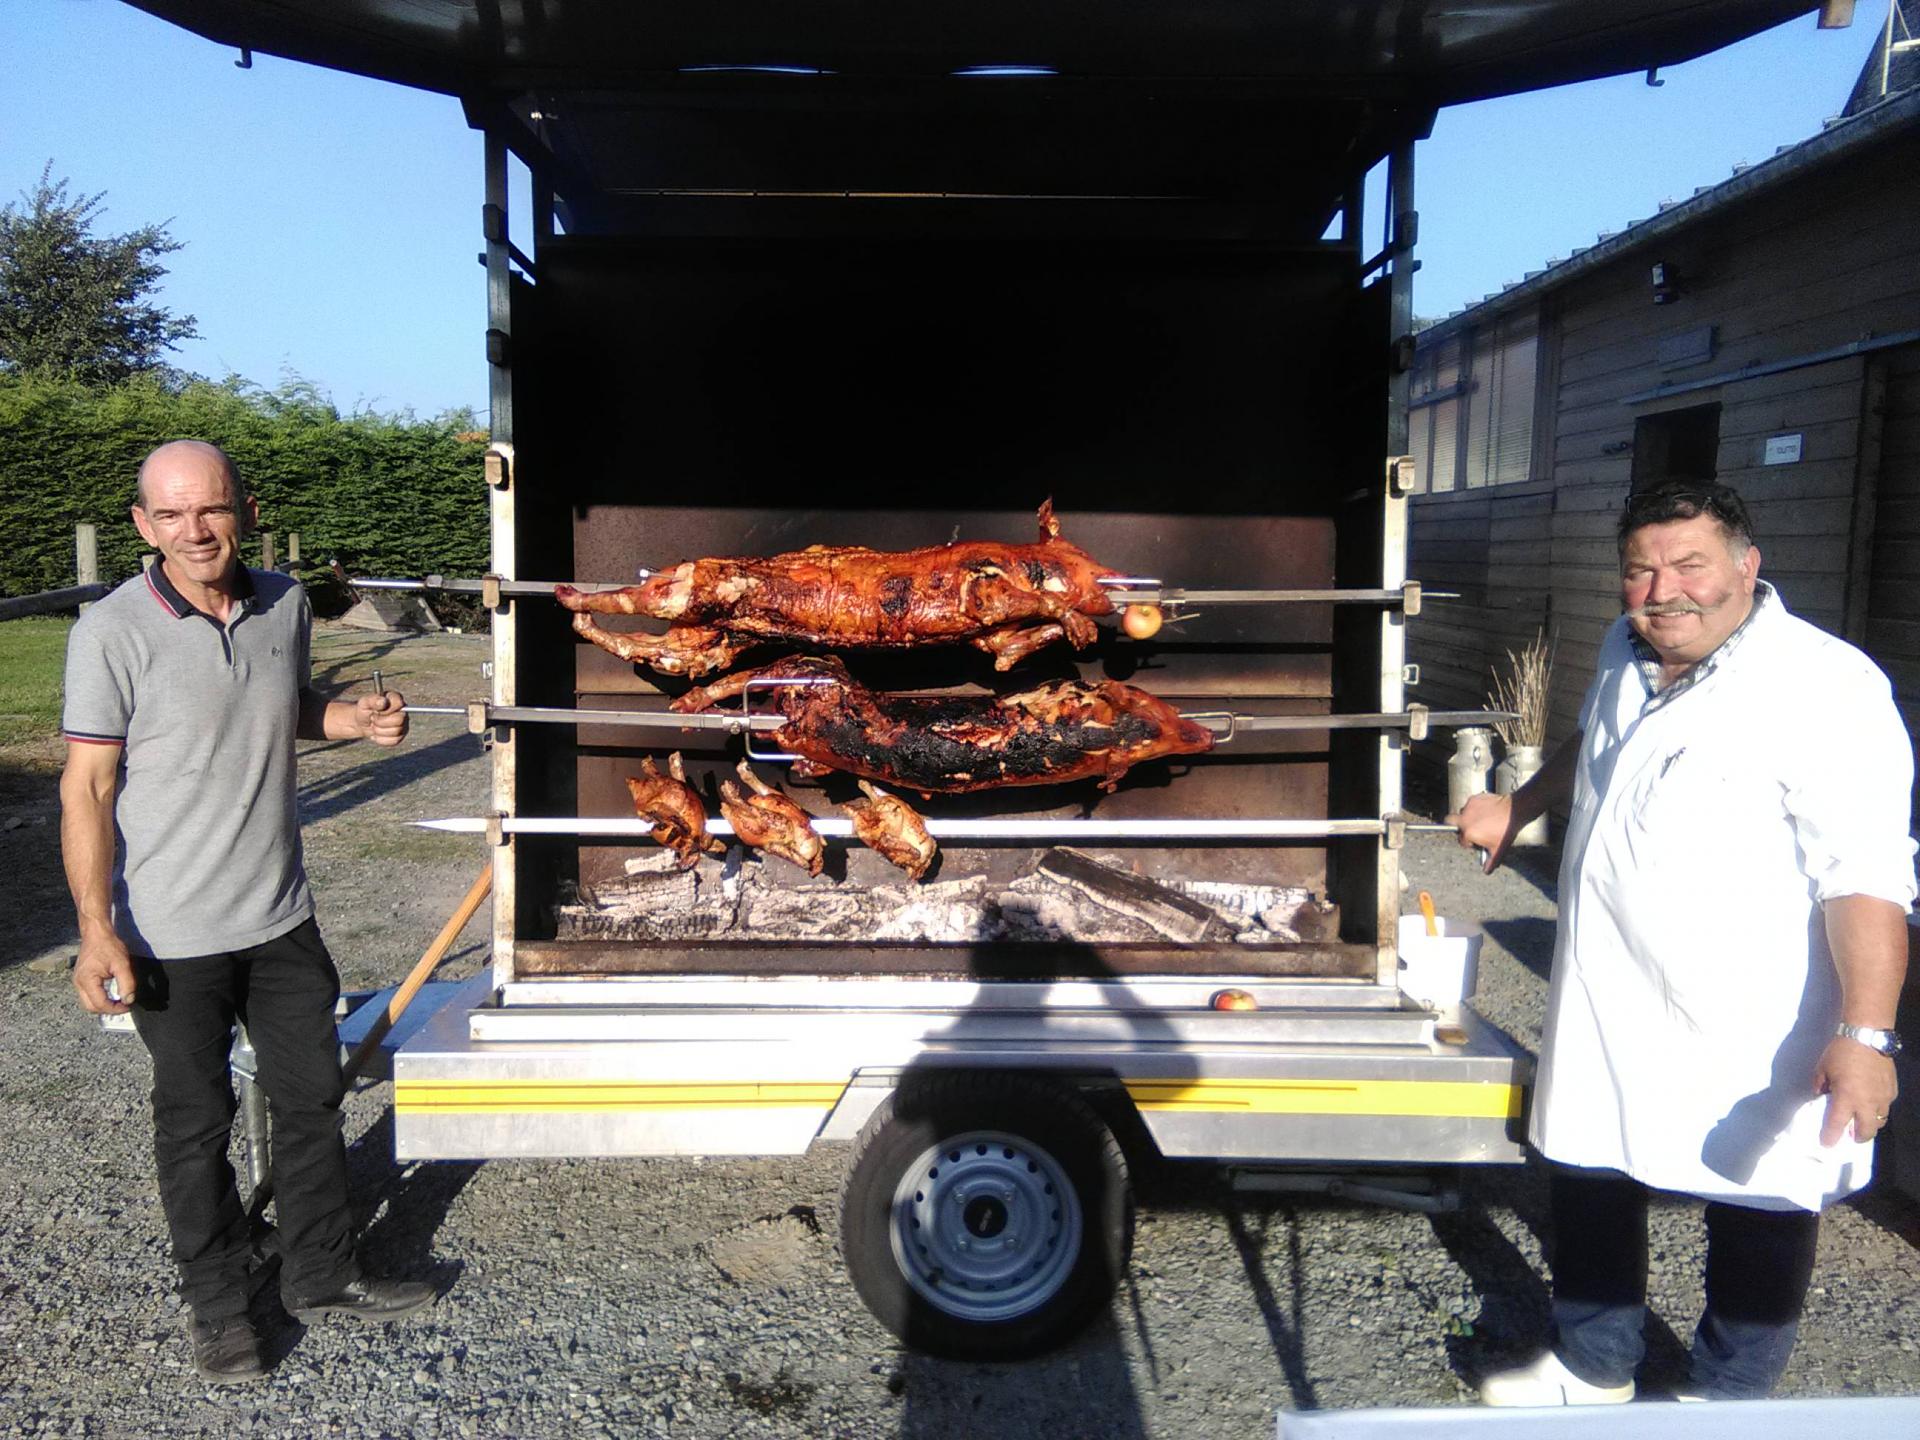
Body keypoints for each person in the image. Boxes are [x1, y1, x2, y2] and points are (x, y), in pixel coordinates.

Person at [1452, 478, 1913, 1405]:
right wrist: (1520, 808)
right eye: (1641, 570)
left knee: (1763, 1192)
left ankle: (1728, 1394)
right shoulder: (1628, 648)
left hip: (1754, 1006)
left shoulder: (1827, 685)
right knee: (1588, 1156)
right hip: (1606, 982)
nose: (1666, 591)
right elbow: (1596, 742)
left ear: (1747, 566)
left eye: (1691, 564)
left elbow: (1865, 875)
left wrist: (1865, 1038)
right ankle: (1592, 1366)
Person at [60, 440, 438, 1385]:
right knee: (195, 1124)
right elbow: (88, 787)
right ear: (144, 526)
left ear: (246, 510)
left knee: (312, 1099)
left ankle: (320, 1272)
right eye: (172, 515)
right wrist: (97, 930)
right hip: (169, 934)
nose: (196, 532)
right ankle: (221, 1306)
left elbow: (283, 703)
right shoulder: (111, 631)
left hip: (278, 915)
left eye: (212, 510)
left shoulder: (285, 602)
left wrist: (354, 721)